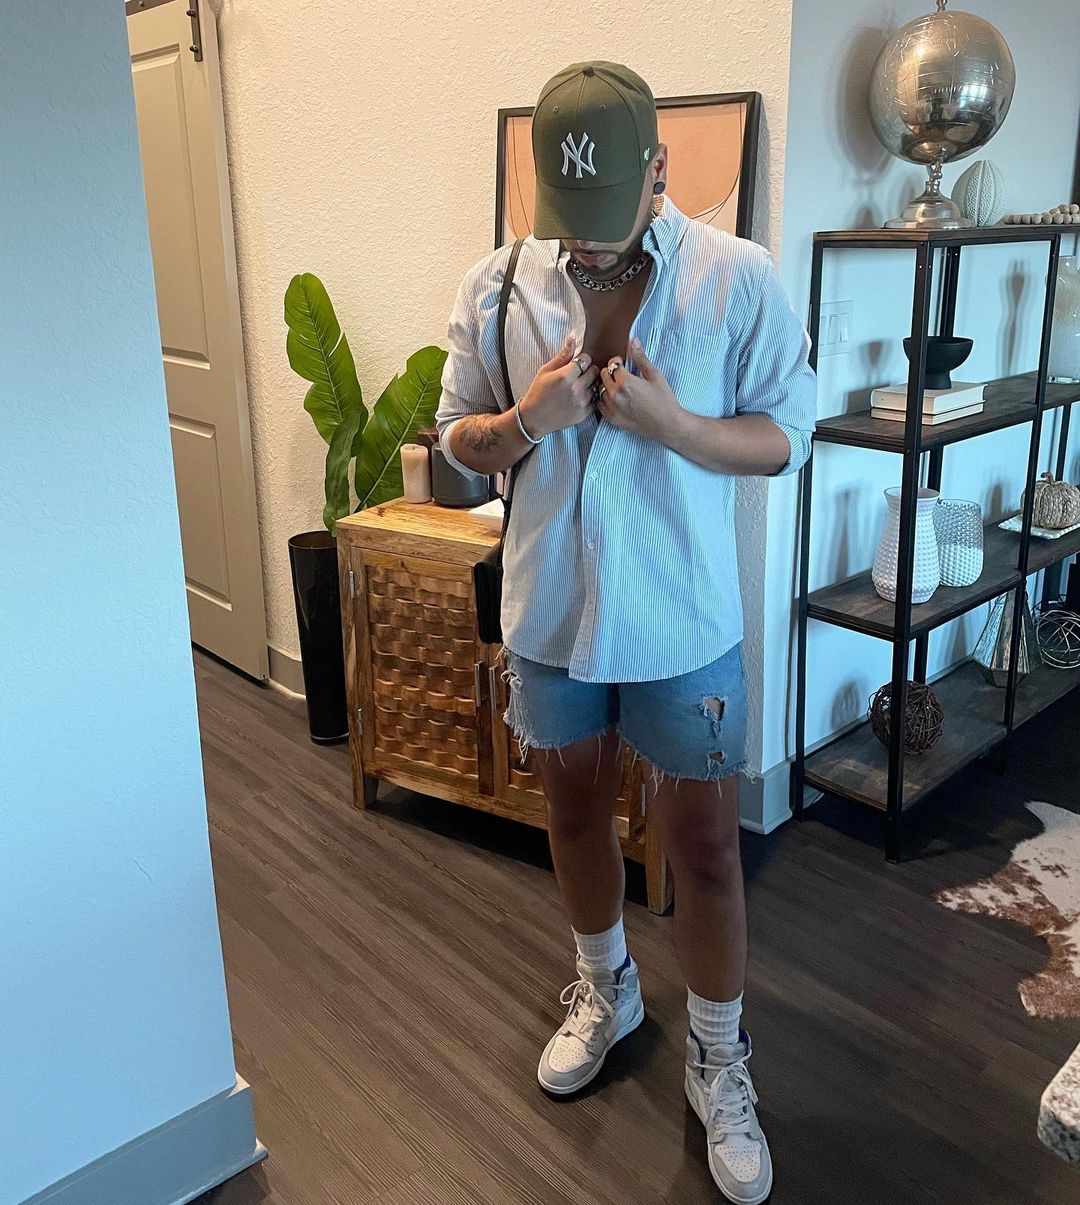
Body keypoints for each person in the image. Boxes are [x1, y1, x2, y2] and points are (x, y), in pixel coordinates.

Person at [435, 60, 815, 1205]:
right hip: (550, 610)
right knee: (570, 813)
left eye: (610, 210)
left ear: (660, 169)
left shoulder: (738, 279)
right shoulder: (500, 285)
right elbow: (457, 447)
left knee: (705, 848)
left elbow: (787, 434)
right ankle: (607, 987)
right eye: (570, 217)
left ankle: (719, 1053)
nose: (588, 242)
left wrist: (676, 423)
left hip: (682, 618)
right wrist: (528, 417)